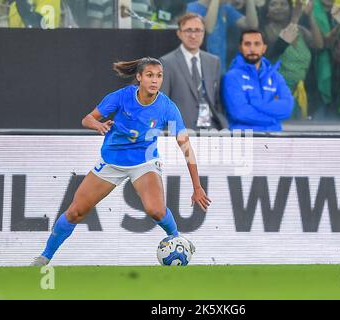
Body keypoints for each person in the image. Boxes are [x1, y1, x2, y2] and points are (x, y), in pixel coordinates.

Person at [31, 57, 211, 266]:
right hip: (111, 162)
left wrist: (197, 187)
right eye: (150, 75)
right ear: (139, 77)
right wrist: (97, 126)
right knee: (75, 211)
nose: (155, 80)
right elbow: (87, 118)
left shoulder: (167, 107)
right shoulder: (121, 97)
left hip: (144, 163)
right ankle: (44, 257)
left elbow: (185, 146)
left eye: (159, 76)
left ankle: (178, 239)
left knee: (156, 210)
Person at [160, 13, 226, 130]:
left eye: (198, 30)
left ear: (203, 33)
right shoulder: (167, 62)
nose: (193, 35)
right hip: (181, 131)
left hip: (211, 129)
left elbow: (216, 100)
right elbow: (162, 103)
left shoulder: (213, 61)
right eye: (188, 30)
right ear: (179, 33)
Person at [222, 29, 294, 131]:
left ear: (264, 48)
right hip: (244, 140)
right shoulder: (232, 77)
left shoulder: (275, 77)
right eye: (247, 44)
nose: (252, 49)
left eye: (257, 44)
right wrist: (272, 118)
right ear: (240, 48)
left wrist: (254, 103)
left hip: (274, 139)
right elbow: (240, 112)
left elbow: (287, 108)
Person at [263, 0, 324, 119]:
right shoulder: (266, 32)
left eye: (283, 4)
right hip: (277, 94)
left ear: (290, 9)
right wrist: (296, 18)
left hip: (300, 93)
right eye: (273, 4)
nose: (278, 8)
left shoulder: (300, 30)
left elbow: (319, 45)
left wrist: (310, 15)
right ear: (267, 11)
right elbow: (279, 45)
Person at [187, 0, 259, 73]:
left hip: (220, 70)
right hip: (201, 71)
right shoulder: (192, 8)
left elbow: (251, 26)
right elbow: (208, 28)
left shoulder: (224, 8)